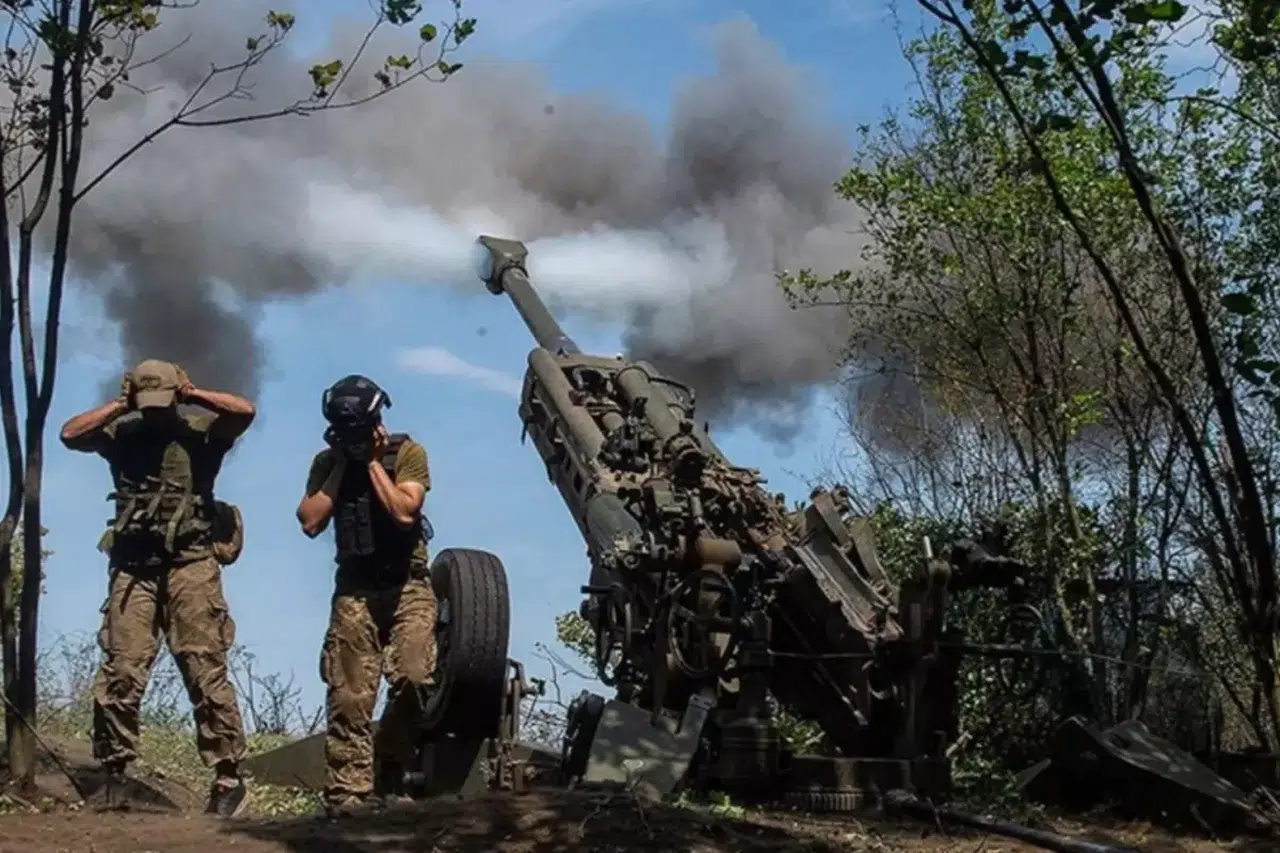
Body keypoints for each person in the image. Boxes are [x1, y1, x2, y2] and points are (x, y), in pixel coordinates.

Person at [59, 359, 255, 817]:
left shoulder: (201, 433)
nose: (153, 412)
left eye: (161, 402)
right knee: (122, 670)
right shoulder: (121, 434)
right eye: (145, 404)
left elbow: (243, 412)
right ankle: (115, 773)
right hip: (134, 568)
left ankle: (228, 779)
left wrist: (194, 393)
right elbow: (70, 435)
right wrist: (119, 404)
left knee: (204, 669)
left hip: (191, 564)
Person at [296, 374, 436, 815]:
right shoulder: (326, 463)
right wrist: (342, 464)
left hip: (407, 585)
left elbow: (402, 511)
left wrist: (373, 463)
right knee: (350, 694)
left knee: (414, 676)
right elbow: (310, 520)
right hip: (355, 589)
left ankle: (390, 763)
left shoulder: (407, 454)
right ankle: (348, 792)